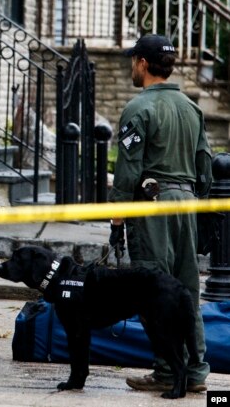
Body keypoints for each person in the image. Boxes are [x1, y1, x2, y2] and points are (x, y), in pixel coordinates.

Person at [108, 34, 211, 393]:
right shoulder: (191, 107)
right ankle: (196, 371)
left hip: (153, 209)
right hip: (187, 204)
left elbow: (127, 173)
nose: (130, 67)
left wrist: (117, 221)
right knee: (186, 290)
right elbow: (205, 167)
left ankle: (167, 371)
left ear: (141, 63)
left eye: (131, 61)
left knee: (155, 291)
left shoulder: (139, 109)